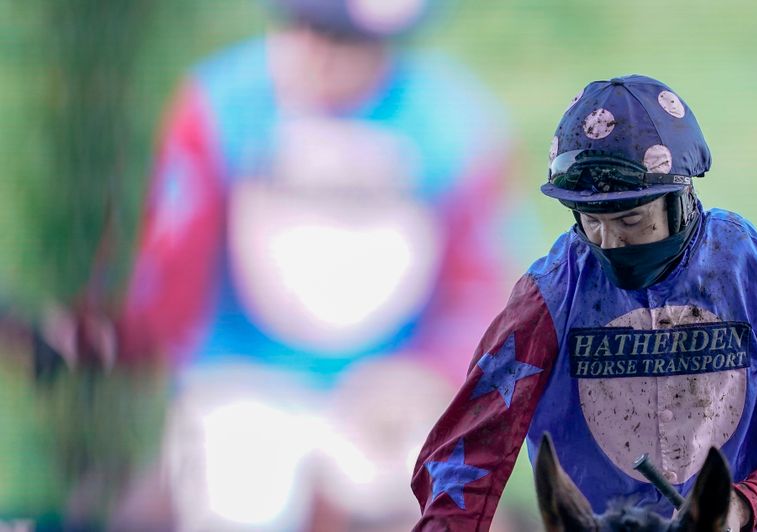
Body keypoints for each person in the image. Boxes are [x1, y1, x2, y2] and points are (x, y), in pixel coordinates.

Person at [56, 0, 514, 529]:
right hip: (240, 382)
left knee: (430, 497)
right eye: (308, 30)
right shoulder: (220, 105)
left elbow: (475, 294)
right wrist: (114, 336)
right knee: (241, 495)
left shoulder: (456, 124)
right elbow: (168, 280)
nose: (324, 57)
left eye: (351, 43)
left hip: (387, 399)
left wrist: (429, 372)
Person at [410, 75, 757, 531]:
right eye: (590, 221)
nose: (609, 242)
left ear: (681, 198)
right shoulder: (546, 297)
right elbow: (467, 452)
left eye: (630, 219)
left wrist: (744, 506)